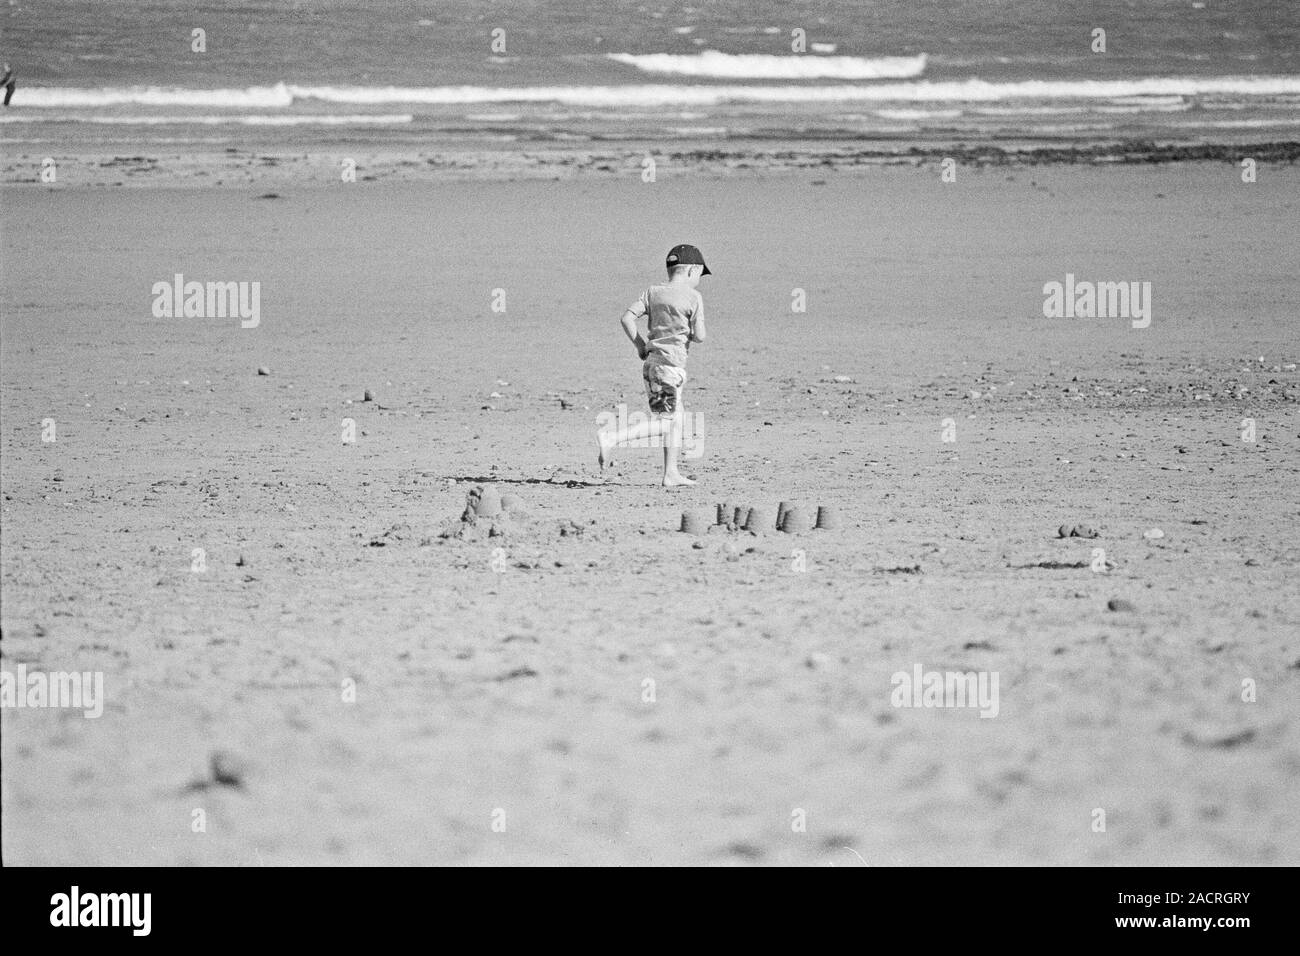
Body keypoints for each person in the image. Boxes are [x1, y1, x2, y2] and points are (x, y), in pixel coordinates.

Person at [597, 244, 710, 486]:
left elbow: (627, 318)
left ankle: (671, 473)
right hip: (670, 369)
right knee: (665, 422)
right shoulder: (694, 297)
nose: (699, 280)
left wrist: (640, 345)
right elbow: (700, 336)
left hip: (652, 366)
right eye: (700, 274)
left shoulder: (652, 292)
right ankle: (612, 437)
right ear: (692, 270)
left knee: (676, 419)